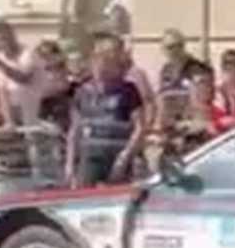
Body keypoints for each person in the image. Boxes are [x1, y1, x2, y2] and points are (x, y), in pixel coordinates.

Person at [67, 32, 147, 187]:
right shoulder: (83, 91)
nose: (101, 69)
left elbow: (140, 127)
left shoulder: (128, 90)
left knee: (118, 199)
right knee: (84, 199)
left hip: (117, 157)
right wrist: (70, 164)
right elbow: (74, 130)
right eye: (97, 63)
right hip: (90, 157)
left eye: (106, 63)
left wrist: (125, 157)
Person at [157, 29, 209, 94]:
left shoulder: (198, 69)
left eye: (179, 45)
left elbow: (202, 94)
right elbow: (162, 93)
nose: (175, 50)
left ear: (183, 46)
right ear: (163, 49)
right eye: (169, 47)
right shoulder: (166, 70)